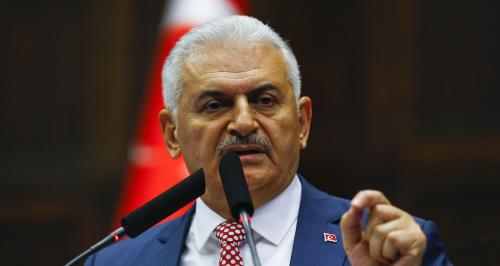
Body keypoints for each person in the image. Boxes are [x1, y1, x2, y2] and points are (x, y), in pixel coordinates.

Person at [86, 16, 451, 265]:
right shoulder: (116, 261)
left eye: (264, 100)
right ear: (172, 134)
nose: (244, 122)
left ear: (302, 122)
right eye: (215, 105)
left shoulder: (394, 249)